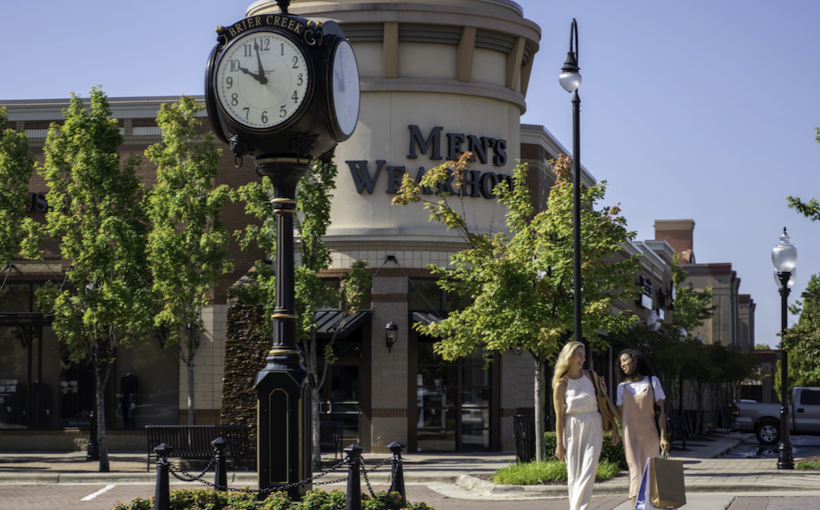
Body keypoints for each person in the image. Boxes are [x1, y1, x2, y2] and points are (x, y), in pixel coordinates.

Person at [553, 341, 620, 510]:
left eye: (584, 355)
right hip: (572, 427)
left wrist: (614, 426)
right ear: (569, 356)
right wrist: (559, 444)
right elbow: (559, 417)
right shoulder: (561, 384)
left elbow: (602, 404)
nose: (583, 358)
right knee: (574, 474)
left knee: (588, 470)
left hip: (594, 424)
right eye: (579, 355)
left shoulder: (591, 375)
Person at [616, 348, 670, 509]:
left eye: (625, 360)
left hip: (650, 434)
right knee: (634, 471)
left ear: (635, 360)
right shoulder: (622, 387)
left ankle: (653, 507)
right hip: (629, 434)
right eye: (620, 362)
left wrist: (663, 437)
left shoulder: (652, 381)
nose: (622, 364)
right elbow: (620, 417)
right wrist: (604, 395)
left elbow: (660, 412)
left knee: (652, 472)